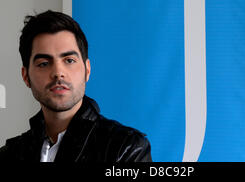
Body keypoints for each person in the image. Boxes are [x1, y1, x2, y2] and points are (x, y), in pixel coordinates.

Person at [0, 10, 152, 162]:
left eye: (69, 60)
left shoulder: (126, 148)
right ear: (26, 76)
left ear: (87, 70)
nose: (58, 72)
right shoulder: (9, 154)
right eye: (44, 64)